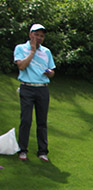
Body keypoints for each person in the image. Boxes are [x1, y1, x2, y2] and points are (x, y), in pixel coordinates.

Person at [14, 23, 56, 163]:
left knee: (42, 121)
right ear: (30, 34)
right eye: (36, 34)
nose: (39, 38)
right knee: (26, 120)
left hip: (42, 88)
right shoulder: (21, 48)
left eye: (41, 36)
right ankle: (22, 150)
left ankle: (42, 152)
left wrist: (49, 72)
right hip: (27, 87)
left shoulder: (46, 52)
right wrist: (32, 51)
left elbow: (52, 71)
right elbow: (21, 66)